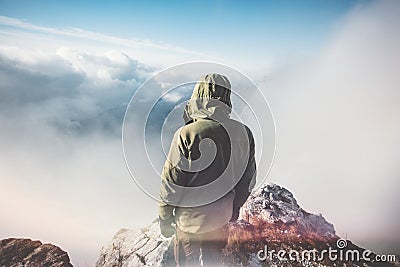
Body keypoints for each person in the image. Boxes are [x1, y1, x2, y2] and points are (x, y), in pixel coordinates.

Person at [158, 73, 256, 267]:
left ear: (198, 95)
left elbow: (171, 183)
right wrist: (234, 208)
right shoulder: (245, 133)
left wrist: (165, 217)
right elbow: (248, 179)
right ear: (227, 98)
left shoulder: (187, 133)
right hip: (222, 217)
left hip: (189, 223)